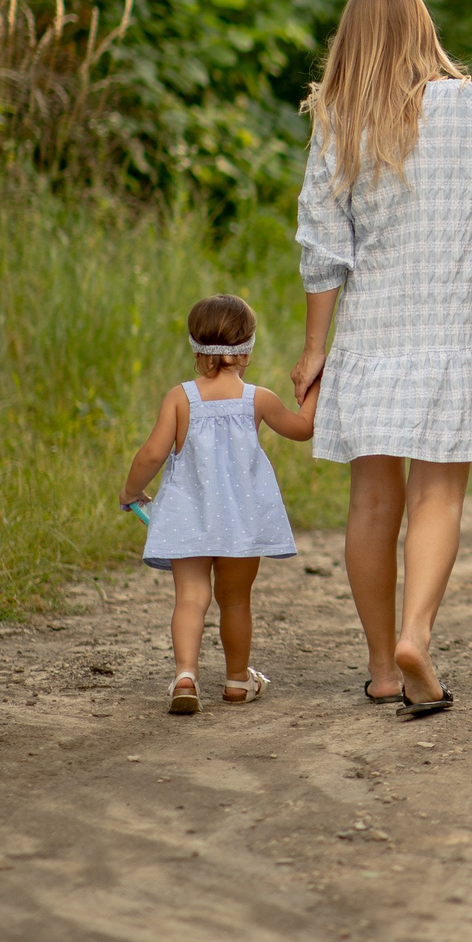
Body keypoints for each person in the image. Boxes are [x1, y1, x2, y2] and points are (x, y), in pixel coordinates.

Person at [291, 0, 472, 717]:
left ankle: (382, 666)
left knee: (373, 502)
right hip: (456, 333)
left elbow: (322, 245)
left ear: (352, 38)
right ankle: (417, 635)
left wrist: (316, 348)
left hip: (372, 339)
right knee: (439, 492)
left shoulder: (339, 118)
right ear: (422, 29)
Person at [119, 293, 315, 714]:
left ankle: (185, 677)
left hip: (189, 518)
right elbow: (302, 429)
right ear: (247, 349)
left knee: (190, 598)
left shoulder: (180, 397)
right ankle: (237, 681)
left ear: (195, 346)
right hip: (241, 522)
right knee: (236, 600)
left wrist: (131, 491)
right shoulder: (257, 398)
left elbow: (152, 453)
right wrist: (315, 386)